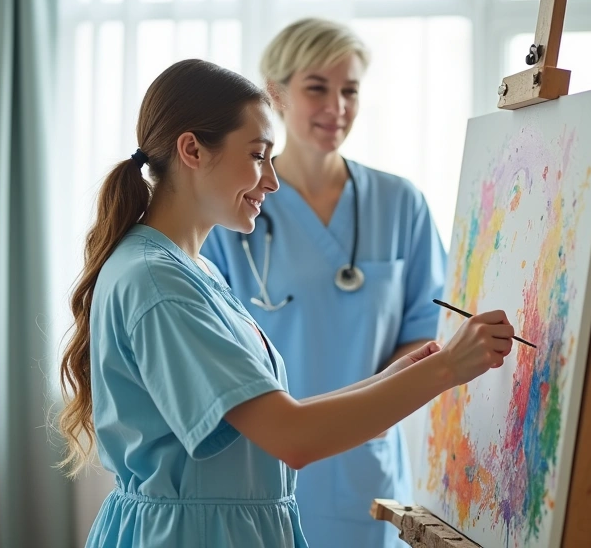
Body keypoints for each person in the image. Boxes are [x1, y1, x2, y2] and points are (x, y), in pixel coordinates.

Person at [58, 58, 515, 548]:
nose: (272, 182)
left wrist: (397, 376)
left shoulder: (195, 270)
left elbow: (271, 417)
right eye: (258, 156)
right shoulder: (157, 282)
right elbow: (291, 436)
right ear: (191, 149)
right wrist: (447, 370)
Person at [200, 18, 446, 546]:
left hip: (364, 466)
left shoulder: (401, 204)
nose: (337, 107)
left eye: (349, 90)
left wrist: (373, 408)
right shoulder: (236, 212)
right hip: (261, 464)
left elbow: (430, 327)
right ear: (276, 93)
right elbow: (212, 342)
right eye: (318, 88)